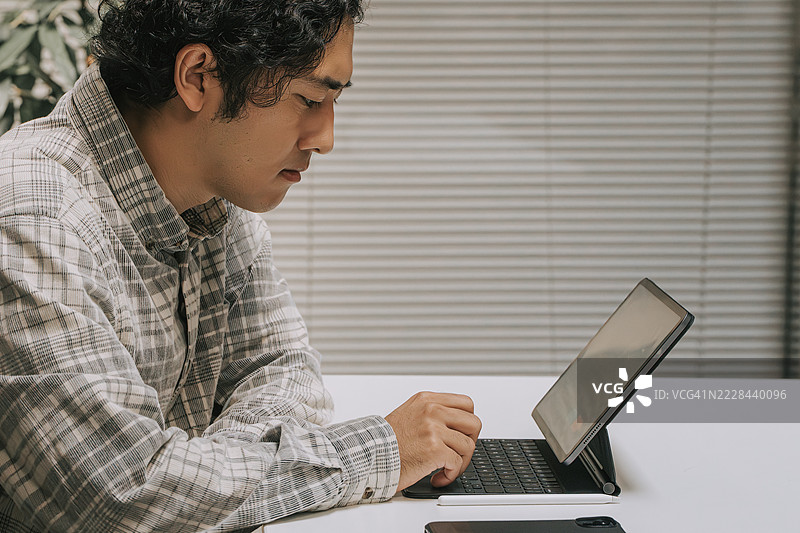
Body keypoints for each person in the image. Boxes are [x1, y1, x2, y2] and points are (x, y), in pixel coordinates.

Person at [0, 0, 482, 531]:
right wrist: (374, 452)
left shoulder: (211, 198)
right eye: (310, 98)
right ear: (198, 76)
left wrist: (205, 481)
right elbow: (124, 492)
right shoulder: (32, 214)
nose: (325, 138)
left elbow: (283, 369)